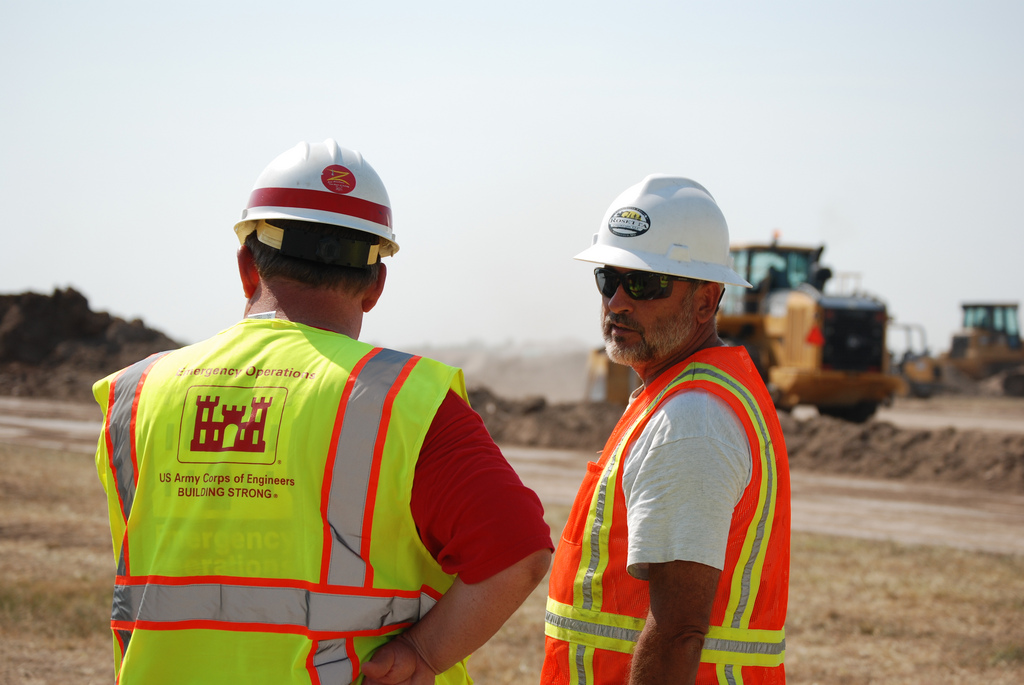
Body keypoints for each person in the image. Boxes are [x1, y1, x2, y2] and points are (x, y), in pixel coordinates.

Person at [93, 139, 552, 685]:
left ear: (247, 265)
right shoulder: (405, 401)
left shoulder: (137, 393)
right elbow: (517, 553)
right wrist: (424, 655)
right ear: (375, 284)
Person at [541, 175, 790, 684]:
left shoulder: (692, 422)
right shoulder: (675, 398)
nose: (617, 302)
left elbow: (680, 632)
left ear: (706, 301)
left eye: (646, 283)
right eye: (609, 277)